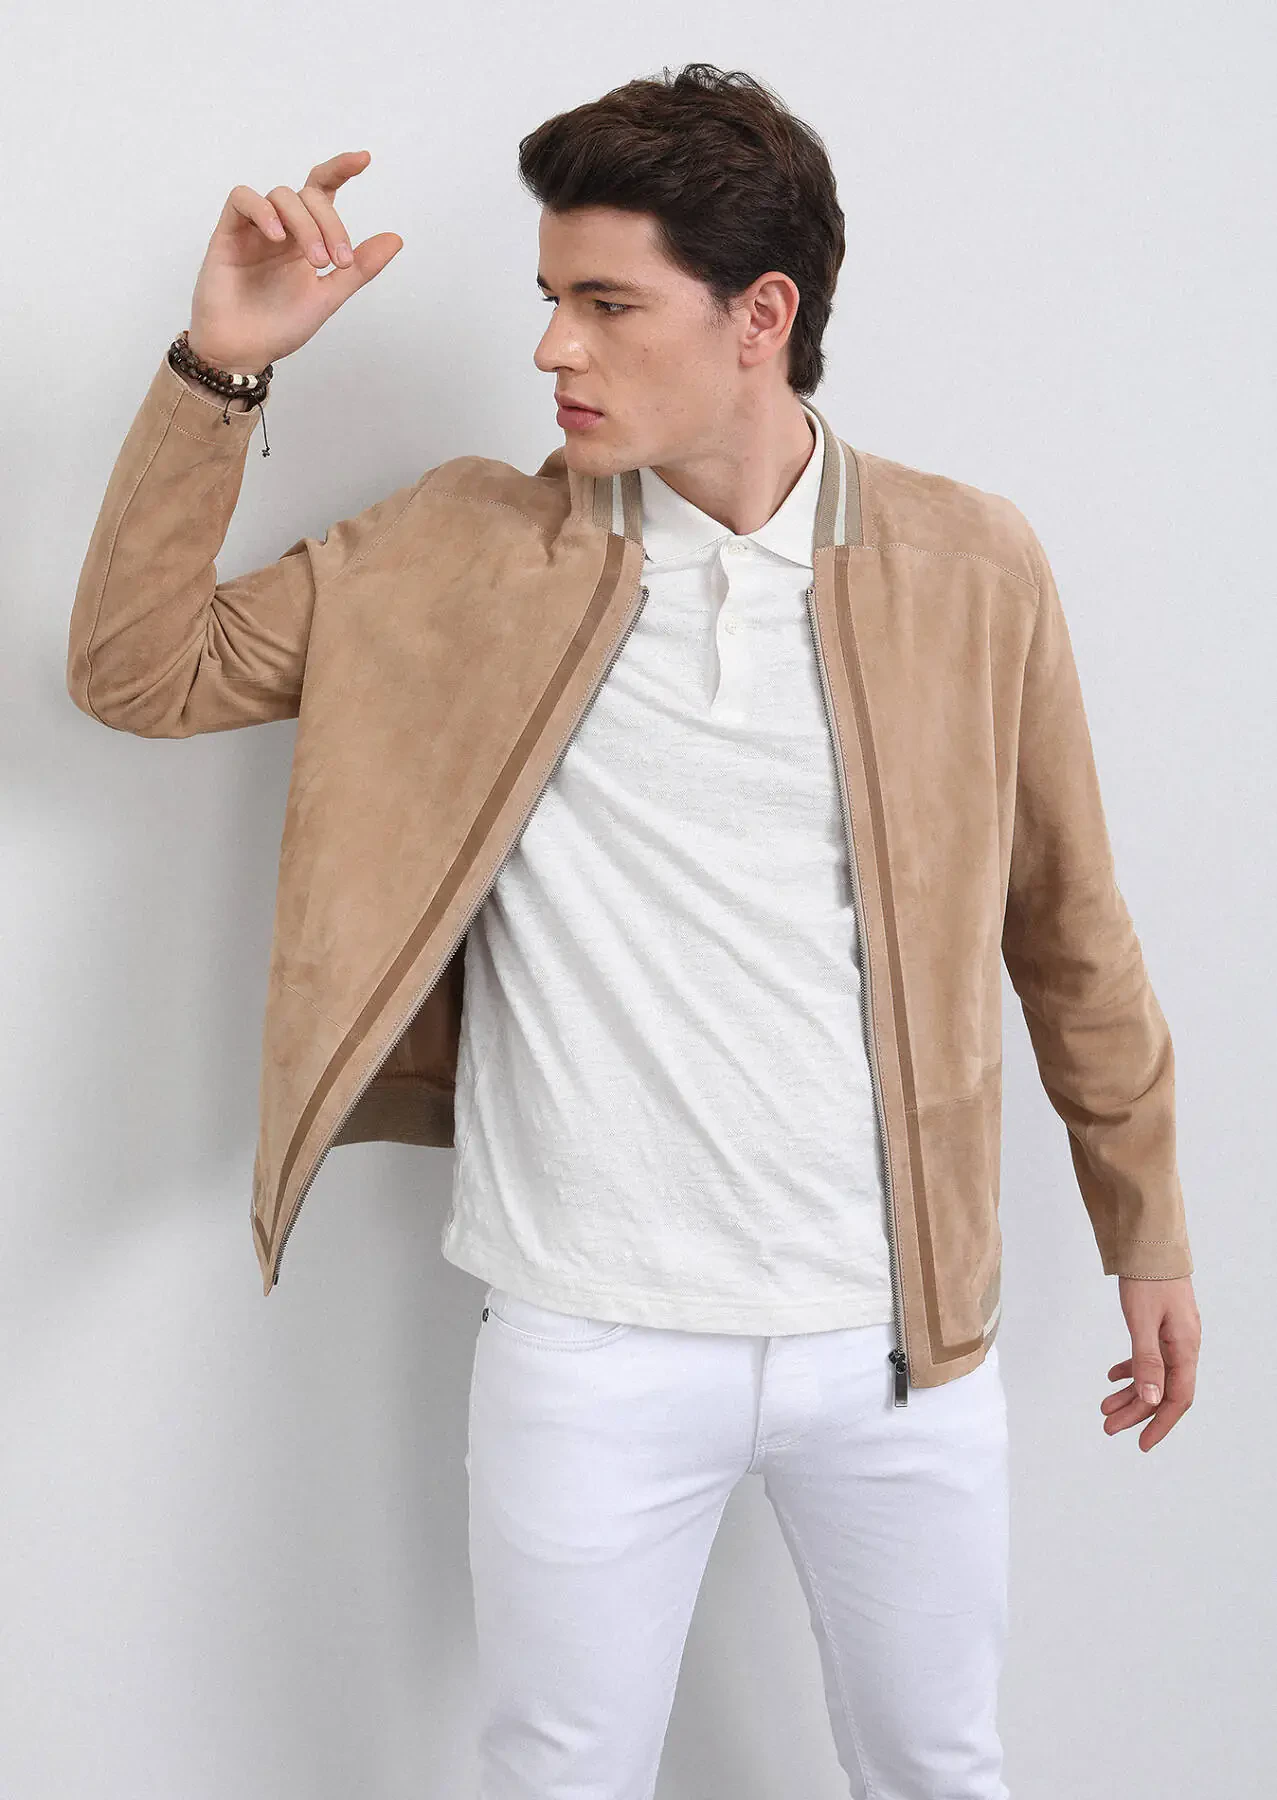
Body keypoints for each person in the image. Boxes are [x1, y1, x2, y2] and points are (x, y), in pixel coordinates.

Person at [68, 63, 1200, 1800]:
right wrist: (223, 368)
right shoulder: (460, 550)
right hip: (585, 1333)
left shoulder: (970, 567)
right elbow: (138, 671)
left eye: (607, 304)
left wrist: (1149, 1228)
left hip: (897, 1340)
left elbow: (1070, 926)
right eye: (550, 298)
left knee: (939, 1768)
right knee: (561, 1776)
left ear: (762, 316)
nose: (553, 349)